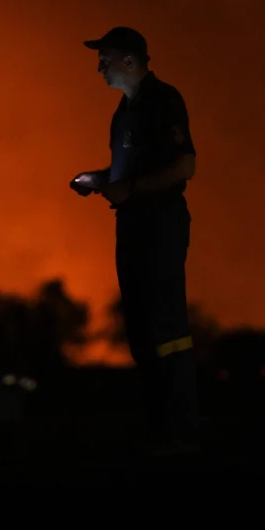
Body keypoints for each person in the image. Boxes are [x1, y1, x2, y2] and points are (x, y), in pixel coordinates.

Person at [70, 26, 200, 456]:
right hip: (132, 227)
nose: (98, 67)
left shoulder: (164, 101)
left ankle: (180, 429)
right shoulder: (123, 114)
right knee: (142, 329)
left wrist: (132, 189)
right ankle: (158, 428)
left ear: (130, 60)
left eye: (104, 58)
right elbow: (125, 176)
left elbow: (184, 166)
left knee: (167, 326)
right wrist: (101, 179)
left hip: (160, 224)